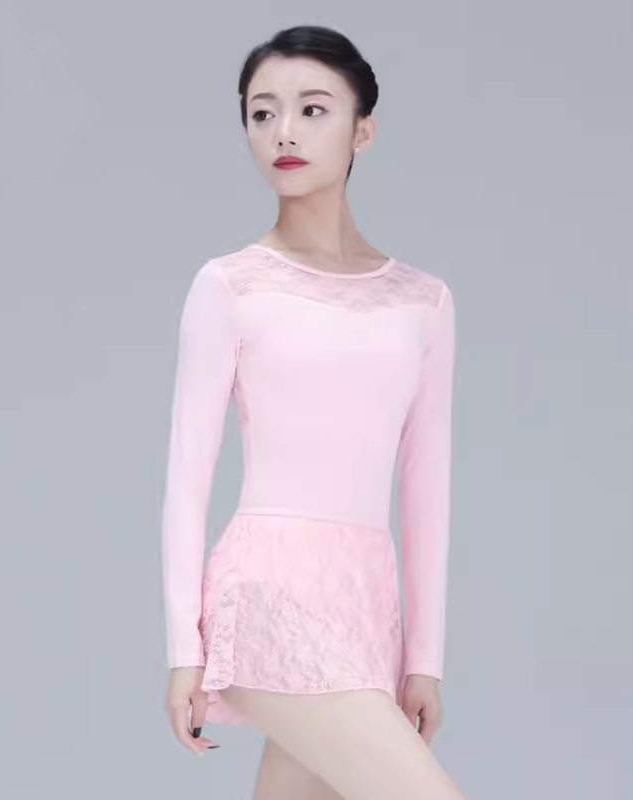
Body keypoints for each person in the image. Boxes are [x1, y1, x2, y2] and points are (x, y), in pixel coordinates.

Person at [161, 25, 469, 800]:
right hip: (265, 596)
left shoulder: (424, 302)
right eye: (262, 113)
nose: (284, 132)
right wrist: (182, 650)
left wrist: (424, 659)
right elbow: (185, 482)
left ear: (363, 129)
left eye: (313, 108)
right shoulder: (230, 286)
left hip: (367, 610)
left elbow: (425, 491)